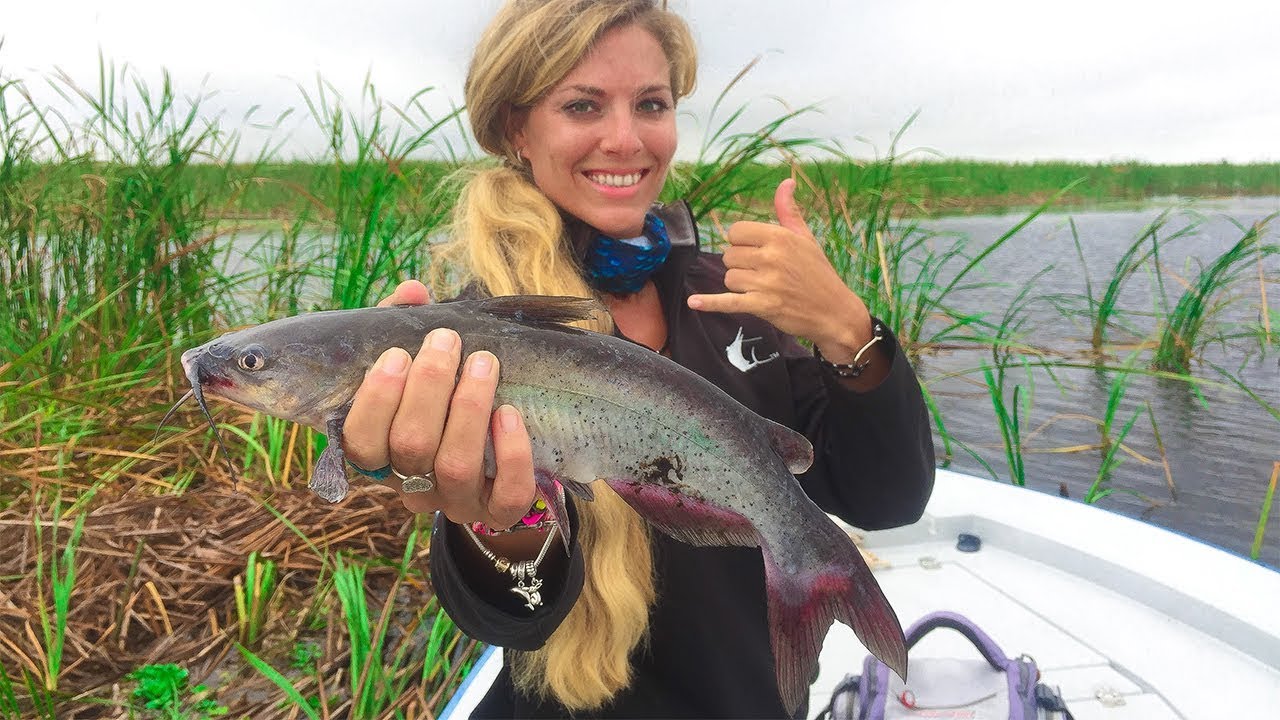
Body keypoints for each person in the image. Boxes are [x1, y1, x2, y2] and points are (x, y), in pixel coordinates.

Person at [340, 0, 935, 717]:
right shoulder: (472, 338)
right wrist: (506, 528)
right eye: (583, 106)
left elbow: (887, 498)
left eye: (650, 104)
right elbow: (507, 619)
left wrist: (849, 332)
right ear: (515, 130)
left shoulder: (730, 297)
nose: (625, 139)